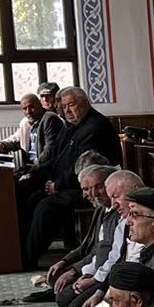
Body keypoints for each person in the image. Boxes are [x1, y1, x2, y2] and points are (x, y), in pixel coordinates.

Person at [21, 87, 120, 268]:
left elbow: (85, 171)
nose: (66, 111)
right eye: (64, 106)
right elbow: (58, 159)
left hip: (94, 188)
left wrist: (57, 186)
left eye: (71, 105)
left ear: (84, 103)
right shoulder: (74, 126)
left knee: (46, 206)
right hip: (72, 183)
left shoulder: (95, 127)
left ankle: (28, 259)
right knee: (30, 194)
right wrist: (34, 172)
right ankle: (18, 251)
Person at [51, 168, 140, 307]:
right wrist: (83, 272)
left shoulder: (133, 219)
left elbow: (119, 260)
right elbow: (95, 250)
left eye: (116, 197)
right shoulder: (105, 212)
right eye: (86, 189)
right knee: (63, 296)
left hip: (122, 280)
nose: (114, 204)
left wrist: (96, 282)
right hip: (106, 275)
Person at [33, 161, 116, 307]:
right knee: (56, 278)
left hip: (103, 272)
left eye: (98, 187)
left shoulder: (116, 214)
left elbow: (107, 254)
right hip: (93, 266)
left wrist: (77, 271)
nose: (90, 194)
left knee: (66, 299)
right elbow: (89, 246)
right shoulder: (101, 209)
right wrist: (65, 261)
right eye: (87, 189)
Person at [10, 88, 64, 165]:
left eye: (31, 107)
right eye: (25, 109)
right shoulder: (25, 122)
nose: (28, 112)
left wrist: (33, 170)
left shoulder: (50, 118)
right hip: (29, 166)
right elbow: (15, 139)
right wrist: (2, 145)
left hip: (43, 168)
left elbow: (49, 150)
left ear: (39, 105)